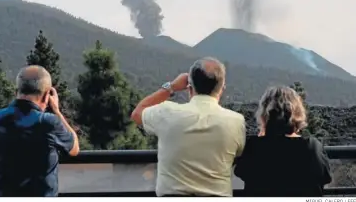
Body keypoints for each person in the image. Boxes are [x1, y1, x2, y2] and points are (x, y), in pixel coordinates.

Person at [131, 57, 246, 197]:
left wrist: (171, 87)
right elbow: (238, 153)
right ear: (222, 89)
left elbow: (137, 114)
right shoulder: (236, 121)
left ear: (189, 88)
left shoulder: (166, 113)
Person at [0, 65, 80, 197]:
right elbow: (74, 148)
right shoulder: (48, 123)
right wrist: (57, 111)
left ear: (16, 92)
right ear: (47, 96)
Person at [234, 85, 332, 197]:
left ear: (265, 114)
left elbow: (241, 172)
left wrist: (261, 140)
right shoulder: (312, 147)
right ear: (298, 113)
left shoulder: (254, 146)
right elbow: (325, 177)